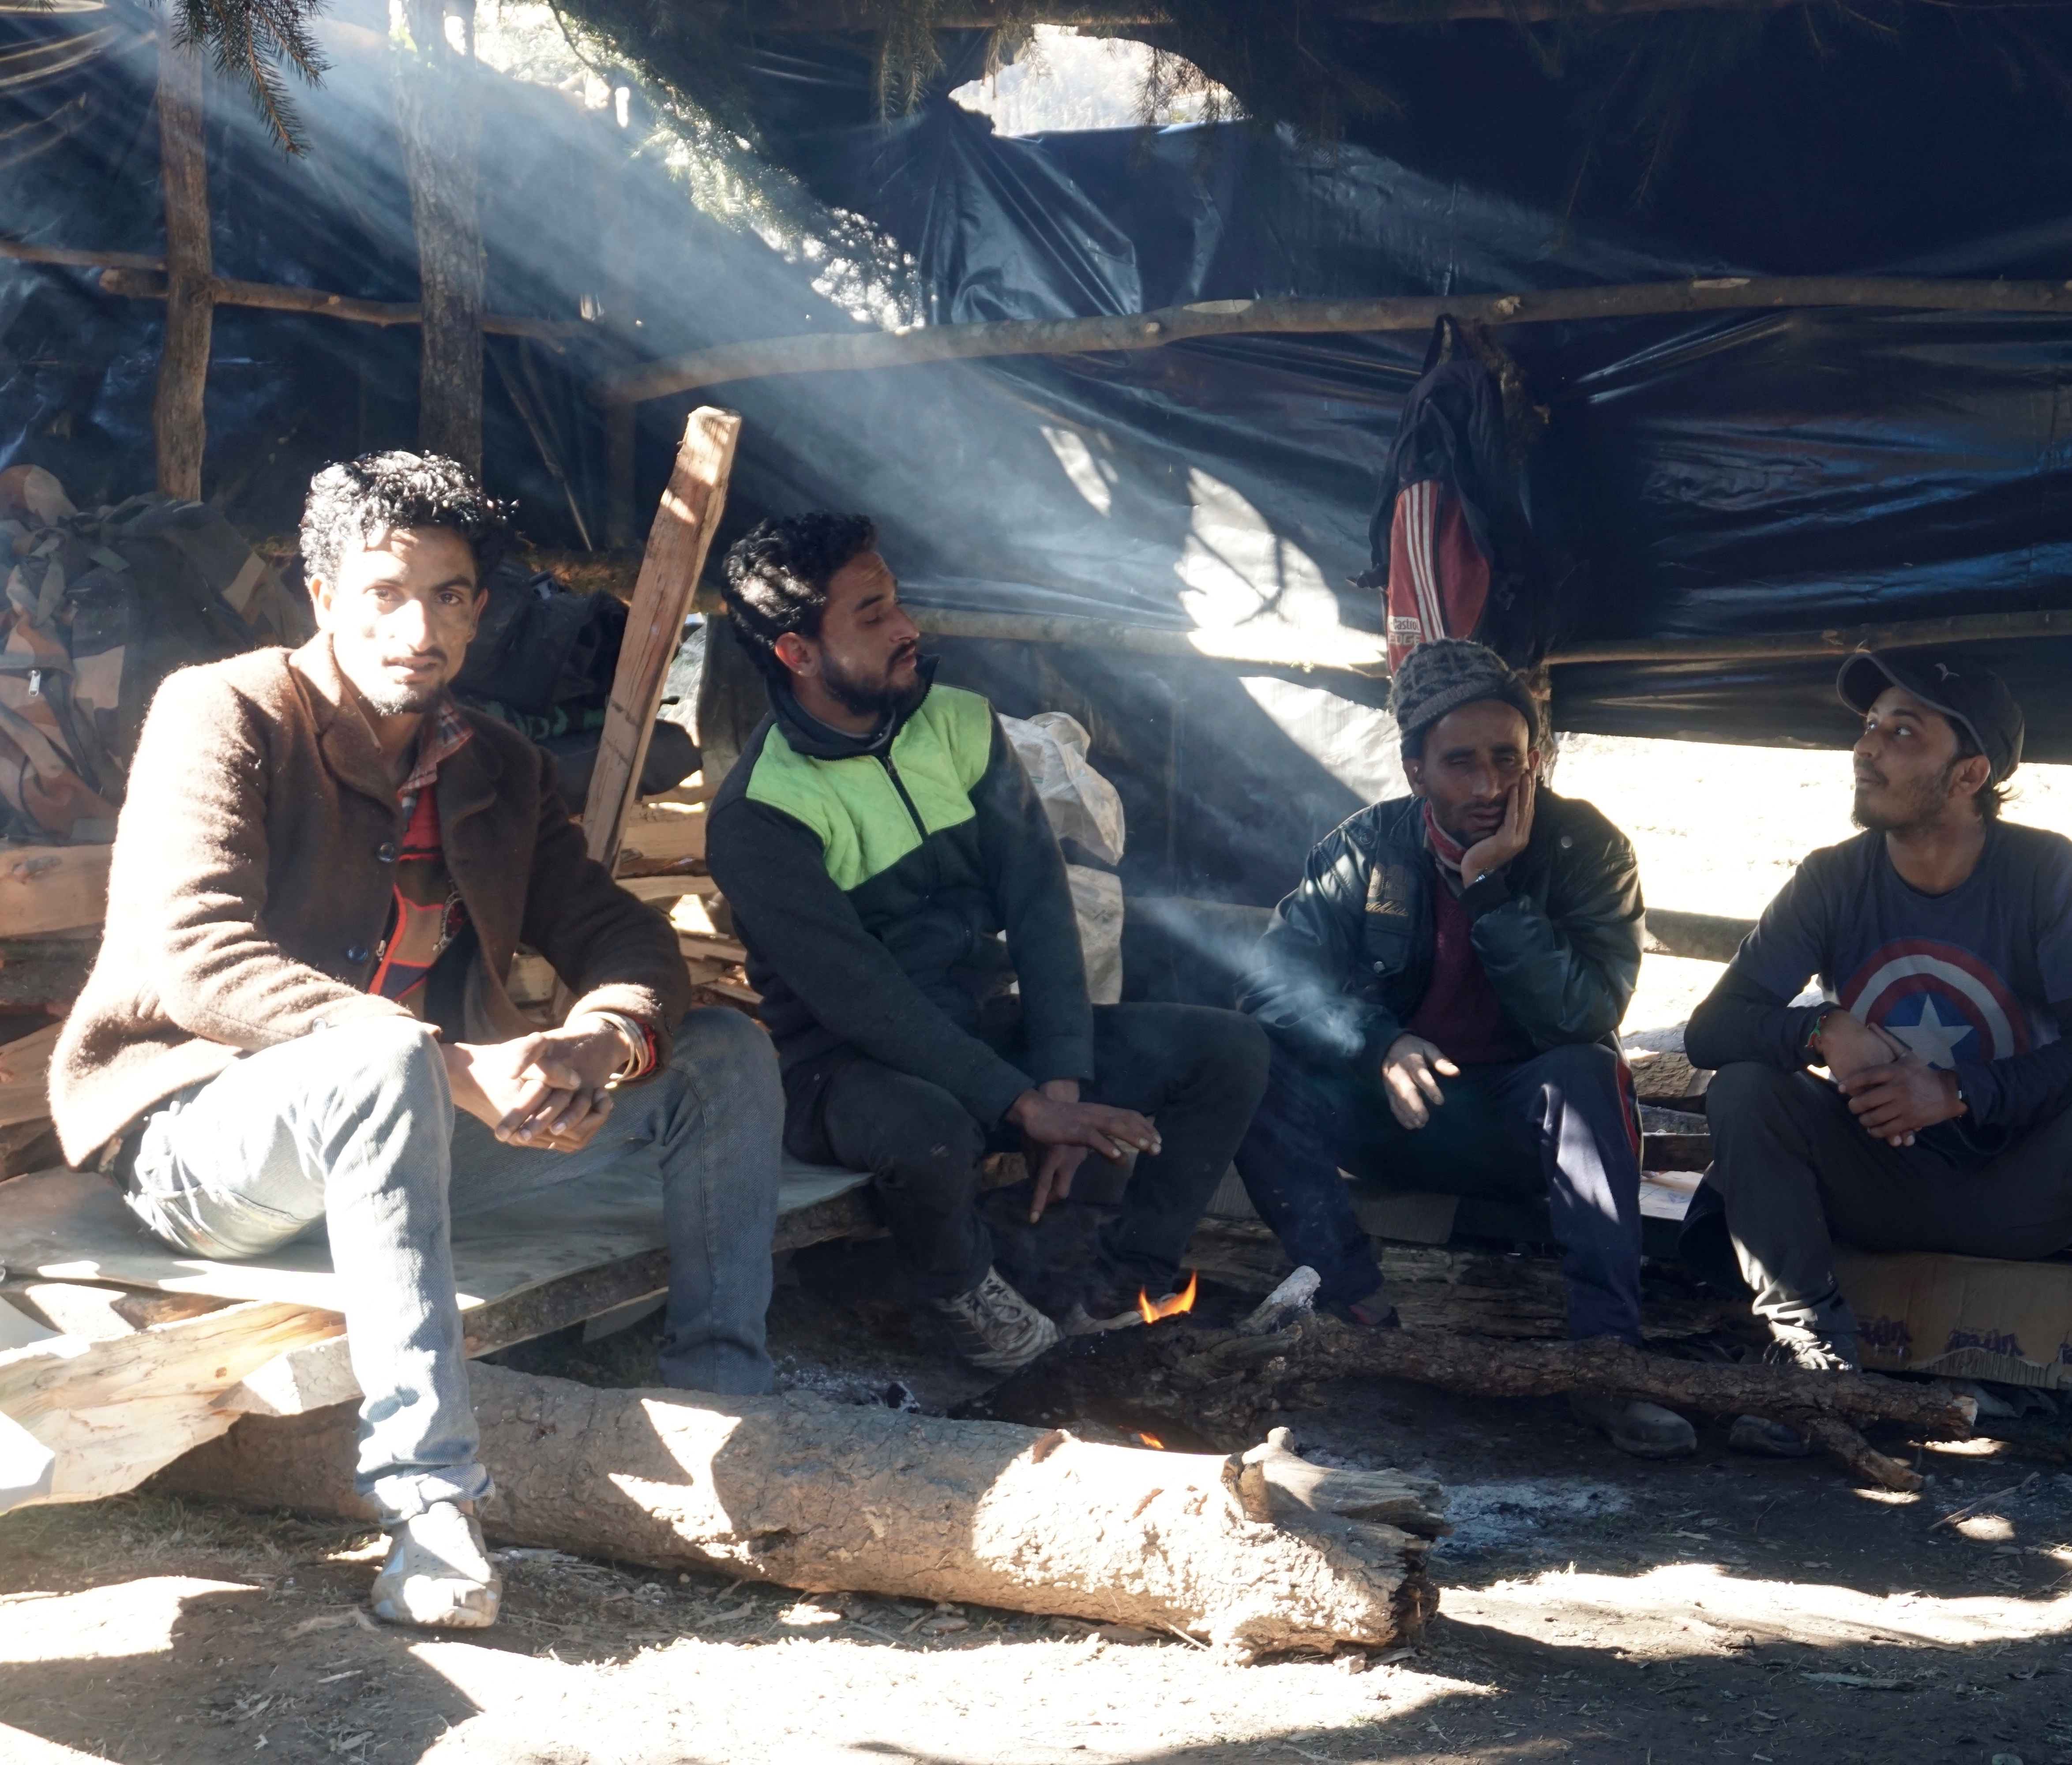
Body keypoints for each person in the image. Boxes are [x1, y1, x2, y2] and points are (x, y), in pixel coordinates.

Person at [50, 452, 785, 1630]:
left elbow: (618, 934)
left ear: (481, 612)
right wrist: (456, 1068)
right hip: (203, 1143)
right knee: (387, 1062)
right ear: (325, 592)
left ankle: (727, 1404)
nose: (418, 628)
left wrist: (597, 1045)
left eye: (449, 597)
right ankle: (430, 1504)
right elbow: (198, 956)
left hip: (406, 1134)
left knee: (724, 1055)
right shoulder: (226, 711)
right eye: (386, 594)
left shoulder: (494, 766)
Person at [705, 513, 1268, 1360]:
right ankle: (960, 1298)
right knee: (932, 1127)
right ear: (797, 653)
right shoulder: (760, 812)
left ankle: (1126, 1281)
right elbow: (868, 1002)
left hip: (976, 1026)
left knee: (1227, 1050)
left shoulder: (961, 725)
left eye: (896, 602)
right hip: (841, 1069)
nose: (907, 629)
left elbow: (1040, 903)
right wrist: (1020, 1103)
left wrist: (1062, 1082)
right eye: (872, 615)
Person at [1684, 648, 2072, 1498]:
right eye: (1869, 728)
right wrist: (1825, 1030)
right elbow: (1714, 1029)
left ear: (1969, 772)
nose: (1868, 750)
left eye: (1904, 733)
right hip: (1877, 1174)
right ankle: (1814, 1365)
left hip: (2014, 1189)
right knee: (1747, 1088)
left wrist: (1960, 1092)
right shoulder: (1834, 879)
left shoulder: (2046, 872)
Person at [1233, 638, 1692, 1459]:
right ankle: (1359, 1313)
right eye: (1461, 764)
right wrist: (1378, 1044)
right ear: (1415, 773)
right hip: (1394, 1115)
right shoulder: (1365, 848)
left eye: (1509, 760)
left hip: (1516, 1127)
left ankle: (1609, 1363)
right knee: (1251, 1060)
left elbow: (1583, 1013)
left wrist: (1492, 891)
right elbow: (1274, 986)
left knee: (1586, 1070)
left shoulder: (1584, 848)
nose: (1490, 786)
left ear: (1537, 756)